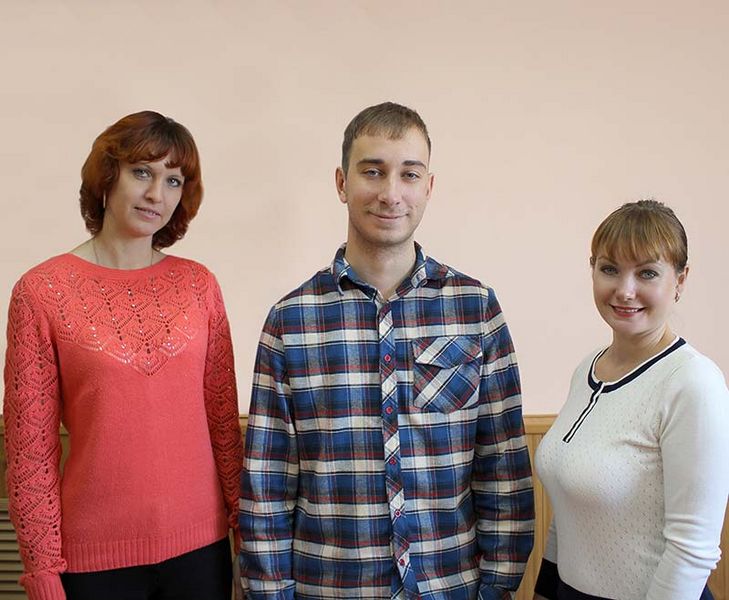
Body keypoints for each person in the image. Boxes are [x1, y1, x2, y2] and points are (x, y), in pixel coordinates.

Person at [239, 102, 534, 600]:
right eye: (372, 171)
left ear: (429, 187)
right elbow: (267, 488)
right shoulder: (289, 321)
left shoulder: (476, 308)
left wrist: (496, 588)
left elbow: (502, 469)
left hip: (451, 589)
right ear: (341, 183)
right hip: (330, 589)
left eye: (409, 174)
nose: (391, 193)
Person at [3, 111, 243, 600]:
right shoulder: (41, 292)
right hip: (92, 565)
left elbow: (223, 425)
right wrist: (42, 574)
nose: (157, 194)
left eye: (173, 180)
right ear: (107, 176)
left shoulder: (199, 286)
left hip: (204, 555)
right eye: (142, 172)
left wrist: (248, 536)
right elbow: (31, 452)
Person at [533, 200, 729, 600]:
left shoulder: (693, 383)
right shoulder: (587, 368)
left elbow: (692, 549)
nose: (624, 290)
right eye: (609, 269)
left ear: (680, 280)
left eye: (647, 273)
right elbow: (569, 509)